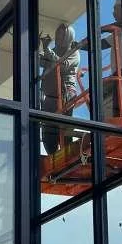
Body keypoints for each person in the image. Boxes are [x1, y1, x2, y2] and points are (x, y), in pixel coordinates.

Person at [39, 22, 80, 153]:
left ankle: (67, 154)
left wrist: (47, 50)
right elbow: (40, 61)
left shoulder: (74, 52)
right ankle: (52, 157)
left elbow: (62, 65)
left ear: (68, 37)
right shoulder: (54, 51)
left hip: (65, 94)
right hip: (50, 98)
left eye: (61, 36)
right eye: (57, 36)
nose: (58, 39)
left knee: (64, 131)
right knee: (48, 132)